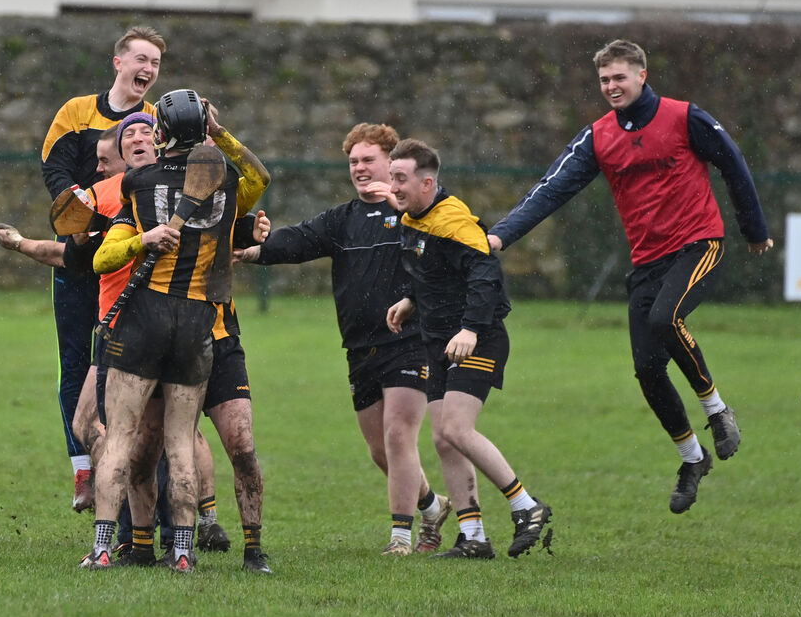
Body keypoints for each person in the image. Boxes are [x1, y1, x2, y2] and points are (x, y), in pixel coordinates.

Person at [487, 39, 772, 514]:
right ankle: (691, 458)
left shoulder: (685, 118)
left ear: (642, 74)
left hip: (698, 244)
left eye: (619, 77)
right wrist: (499, 237)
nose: (611, 87)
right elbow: (551, 189)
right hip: (648, 261)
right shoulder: (598, 136)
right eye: (604, 80)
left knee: (666, 319)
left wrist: (754, 229)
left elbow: (732, 162)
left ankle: (717, 411)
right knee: (646, 369)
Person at [235, 123, 451, 556]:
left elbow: (448, 243)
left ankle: (401, 538)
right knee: (380, 451)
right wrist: (254, 248)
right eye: (353, 161)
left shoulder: (422, 211)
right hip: (359, 347)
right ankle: (433, 506)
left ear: (392, 163)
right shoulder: (344, 219)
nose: (359, 168)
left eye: (368, 159)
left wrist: (398, 206)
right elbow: (298, 240)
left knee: (398, 435)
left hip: (410, 340)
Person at [85, 91, 270, 573]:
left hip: (144, 317)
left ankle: (104, 547)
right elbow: (259, 177)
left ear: (161, 134)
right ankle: (183, 552)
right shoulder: (228, 185)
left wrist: (143, 238)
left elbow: (102, 257)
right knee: (181, 443)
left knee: (121, 438)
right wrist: (219, 135)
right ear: (204, 129)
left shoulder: (138, 181)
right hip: (196, 324)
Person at [386, 138, 552, 559]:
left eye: (400, 179)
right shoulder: (413, 219)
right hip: (438, 341)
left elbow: (485, 277)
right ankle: (474, 537)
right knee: (444, 440)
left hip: (477, 336)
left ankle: (526, 507)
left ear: (427, 183)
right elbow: (427, 272)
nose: (394, 186)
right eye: (392, 178)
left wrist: (472, 329)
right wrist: (410, 300)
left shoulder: (454, 222)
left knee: (457, 429)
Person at [38, 26, 166, 510]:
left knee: (139, 369)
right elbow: (55, 171)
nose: (148, 69)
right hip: (82, 250)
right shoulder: (76, 112)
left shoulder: (157, 120)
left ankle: (147, 480)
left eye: (155, 62)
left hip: (138, 252)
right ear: (118, 62)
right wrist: (78, 221)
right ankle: (84, 470)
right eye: (141, 58)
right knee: (76, 361)